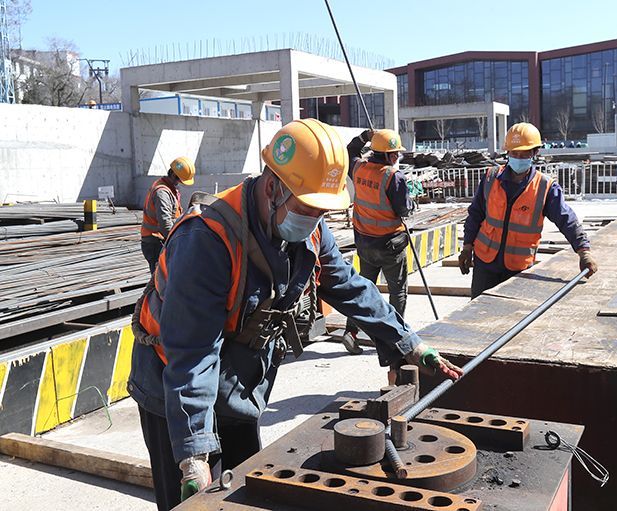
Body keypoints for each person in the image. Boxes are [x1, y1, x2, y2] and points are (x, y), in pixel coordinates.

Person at [128, 119, 462, 510]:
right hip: (175, 387)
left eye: (323, 209)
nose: (315, 219)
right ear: (273, 187)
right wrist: (193, 456)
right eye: (309, 207)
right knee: (197, 498)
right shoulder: (207, 239)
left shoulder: (310, 228)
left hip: (235, 381)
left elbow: (351, 288)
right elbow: (193, 355)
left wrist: (409, 343)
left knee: (241, 492)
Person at [458, 122, 597, 299]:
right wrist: (467, 246)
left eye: (524, 153)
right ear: (507, 153)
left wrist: (583, 251)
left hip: (518, 268)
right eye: (515, 153)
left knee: (512, 320)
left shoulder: (545, 188)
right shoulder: (490, 178)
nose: (519, 157)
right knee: (477, 315)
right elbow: (475, 214)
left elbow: (566, 220)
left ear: (534, 153)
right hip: (485, 263)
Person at [340, 129, 415, 355]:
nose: (398, 158)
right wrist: (411, 204)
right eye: (396, 154)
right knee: (397, 291)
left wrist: (364, 137)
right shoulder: (394, 176)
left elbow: (350, 150)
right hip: (391, 245)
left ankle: (351, 332)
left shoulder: (359, 168)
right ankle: (395, 337)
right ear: (391, 156)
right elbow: (403, 209)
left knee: (363, 290)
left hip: (365, 243)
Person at [140, 157, 195, 272]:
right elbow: (165, 224)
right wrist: (180, 242)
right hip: (156, 242)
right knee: (161, 281)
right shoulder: (162, 193)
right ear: (174, 176)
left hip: (159, 240)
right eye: (180, 180)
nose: (180, 183)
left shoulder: (167, 187)